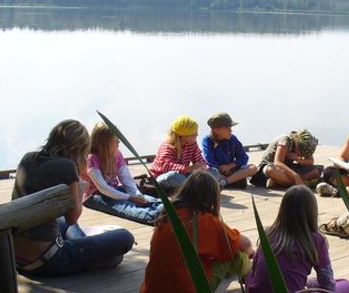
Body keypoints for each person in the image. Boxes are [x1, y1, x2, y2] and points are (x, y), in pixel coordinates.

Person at [12, 119, 134, 277]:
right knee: (124, 238)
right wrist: (79, 180)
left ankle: (85, 250)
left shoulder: (28, 158)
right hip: (46, 259)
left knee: (61, 221)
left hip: (18, 257)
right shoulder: (67, 166)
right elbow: (73, 216)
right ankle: (88, 253)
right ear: (79, 147)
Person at [138, 170, 254, 293]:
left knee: (217, 248)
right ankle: (253, 283)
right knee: (236, 254)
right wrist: (250, 253)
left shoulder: (168, 214)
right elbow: (243, 244)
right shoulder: (204, 222)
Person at [246, 185, 349, 293]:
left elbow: (253, 272)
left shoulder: (268, 234)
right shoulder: (315, 239)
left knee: (300, 284)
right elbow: (328, 284)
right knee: (345, 285)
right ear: (311, 211)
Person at [83, 122, 163, 225]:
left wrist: (136, 195)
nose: (118, 142)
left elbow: (126, 179)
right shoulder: (92, 158)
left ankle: (167, 207)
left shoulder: (117, 155)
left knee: (148, 199)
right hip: (96, 195)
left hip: (115, 190)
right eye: (115, 140)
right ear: (104, 143)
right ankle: (155, 215)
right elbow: (103, 188)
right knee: (126, 207)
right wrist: (129, 198)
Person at [150, 115, 213, 192]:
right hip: (162, 177)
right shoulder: (167, 146)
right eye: (194, 134)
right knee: (173, 176)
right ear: (184, 136)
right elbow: (166, 166)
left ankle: (192, 187)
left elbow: (199, 159)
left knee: (213, 172)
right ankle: (196, 187)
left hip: (183, 175)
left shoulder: (192, 144)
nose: (197, 135)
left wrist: (203, 167)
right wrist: (189, 168)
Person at [201, 112, 258, 188]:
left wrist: (231, 165)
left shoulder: (232, 138)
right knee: (206, 173)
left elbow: (244, 157)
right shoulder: (207, 140)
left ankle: (225, 182)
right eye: (228, 128)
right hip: (216, 171)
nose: (231, 130)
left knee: (253, 168)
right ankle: (232, 180)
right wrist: (221, 168)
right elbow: (208, 159)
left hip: (230, 169)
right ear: (216, 130)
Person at [250, 129, 322, 188]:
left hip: (287, 168)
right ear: (297, 144)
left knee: (316, 171)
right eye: (300, 152)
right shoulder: (285, 140)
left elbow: (310, 161)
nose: (302, 154)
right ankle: (301, 182)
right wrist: (295, 176)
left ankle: (282, 182)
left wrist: (298, 159)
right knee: (270, 170)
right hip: (269, 167)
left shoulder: (307, 145)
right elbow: (278, 162)